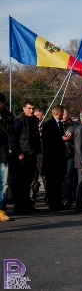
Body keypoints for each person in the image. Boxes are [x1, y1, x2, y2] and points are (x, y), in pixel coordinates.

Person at [10, 101, 42, 214]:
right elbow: (13, 139)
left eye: (33, 108)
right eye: (29, 108)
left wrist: (38, 151)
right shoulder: (19, 121)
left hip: (32, 154)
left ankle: (27, 204)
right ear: (24, 109)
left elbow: (35, 138)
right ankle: (19, 206)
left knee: (29, 180)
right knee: (21, 181)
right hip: (22, 155)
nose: (31, 110)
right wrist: (19, 152)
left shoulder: (34, 121)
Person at [41, 105, 68, 211]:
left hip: (59, 158)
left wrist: (64, 138)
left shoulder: (59, 124)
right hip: (51, 159)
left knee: (58, 181)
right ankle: (52, 202)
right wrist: (60, 139)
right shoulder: (49, 125)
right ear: (59, 113)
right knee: (51, 182)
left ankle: (58, 201)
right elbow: (47, 140)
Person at [0, 93, 14, 221]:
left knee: (4, 185)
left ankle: (1, 209)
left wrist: (1, 119)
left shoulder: (8, 116)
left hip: (2, 155)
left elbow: (10, 131)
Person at [60, 109, 78, 207]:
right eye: (61, 114)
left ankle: (67, 198)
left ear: (68, 115)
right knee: (62, 177)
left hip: (70, 154)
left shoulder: (75, 126)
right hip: (59, 155)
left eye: (64, 114)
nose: (62, 116)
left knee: (67, 176)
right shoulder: (57, 125)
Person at [30, 108, 45, 204]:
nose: (34, 117)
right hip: (33, 154)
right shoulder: (31, 125)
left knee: (44, 176)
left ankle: (49, 197)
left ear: (42, 116)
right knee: (33, 177)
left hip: (43, 154)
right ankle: (31, 197)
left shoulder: (46, 126)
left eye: (37, 115)